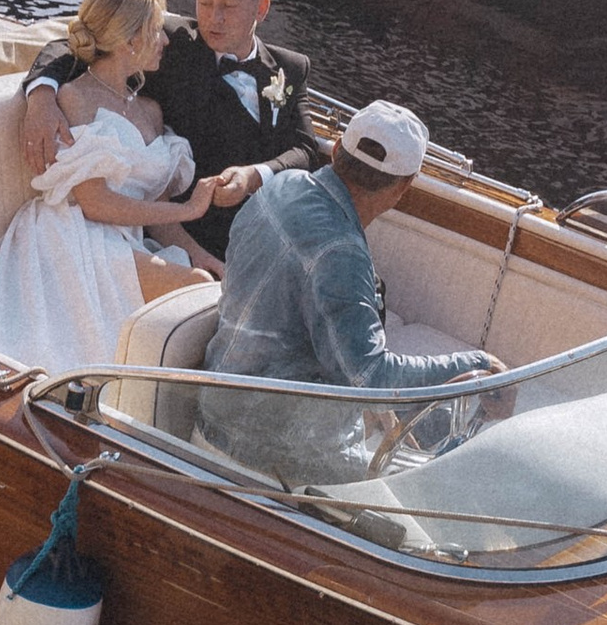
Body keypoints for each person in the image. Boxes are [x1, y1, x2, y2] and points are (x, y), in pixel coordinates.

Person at [197, 99, 498, 492]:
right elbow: (369, 377)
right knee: (461, 489)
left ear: (337, 149)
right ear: (404, 187)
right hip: (271, 454)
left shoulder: (282, 187)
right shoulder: (341, 254)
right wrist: (483, 367)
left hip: (218, 409)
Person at [0, 0, 232, 372]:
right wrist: (190, 209)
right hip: (74, 236)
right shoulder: (74, 98)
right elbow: (96, 202)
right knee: (193, 288)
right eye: (156, 30)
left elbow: (153, 208)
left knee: (205, 281)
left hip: (122, 238)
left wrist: (201, 253)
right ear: (128, 41)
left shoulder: (150, 111)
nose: (166, 40)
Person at [150, 0, 325, 261]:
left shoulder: (291, 67)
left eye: (228, 6)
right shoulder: (171, 44)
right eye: (204, 2)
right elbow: (79, 42)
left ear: (261, 9)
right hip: (186, 229)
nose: (213, 18)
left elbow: (304, 148)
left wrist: (253, 177)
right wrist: (43, 92)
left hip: (265, 227)